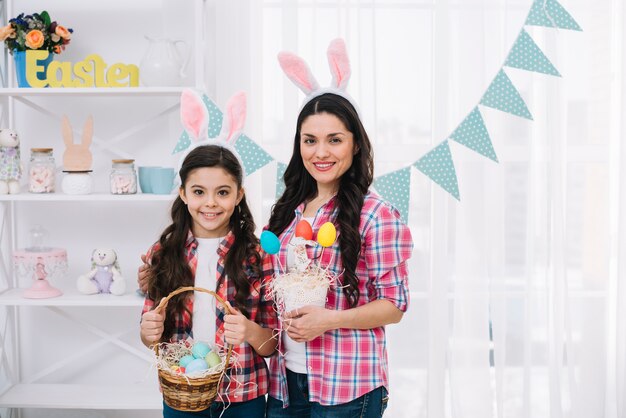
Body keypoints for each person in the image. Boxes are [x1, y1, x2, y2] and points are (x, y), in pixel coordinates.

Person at [265, 39, 413, 418]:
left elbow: (394, 306)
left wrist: (329, 320)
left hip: (348, 387)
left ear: (355, 145)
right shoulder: (287, 211)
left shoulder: (376, 214)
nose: (321, 152)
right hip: (287, 382)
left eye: (335, 140)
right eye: (310, 141)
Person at [139, 144, 278, 418]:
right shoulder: (163, 253)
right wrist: (148, 330)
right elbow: (148, 337)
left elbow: (272, 345)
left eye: (223, 192)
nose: (211, 203)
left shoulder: (257, 255)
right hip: (182, 392)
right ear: (183, 194)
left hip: (243, 395)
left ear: (239, 195)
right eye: (199, 192)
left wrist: (249, 330)